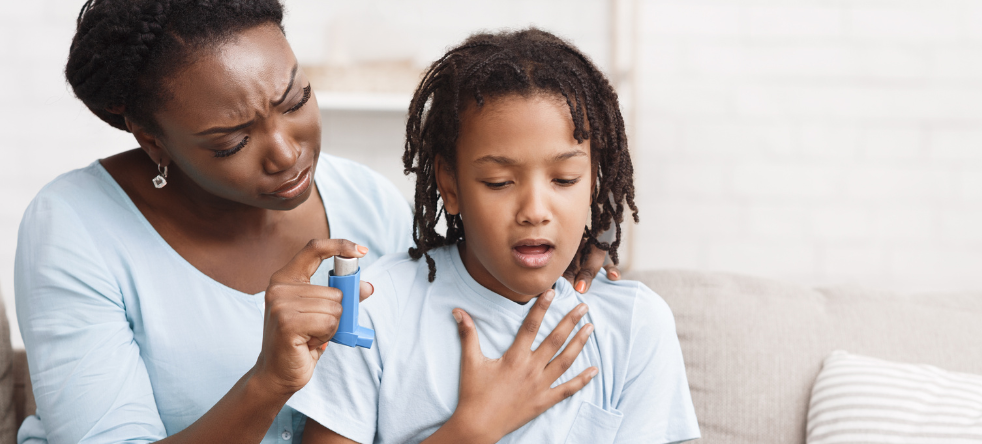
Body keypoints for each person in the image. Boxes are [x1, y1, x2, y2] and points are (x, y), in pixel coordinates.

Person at [14, 1, 617, 443]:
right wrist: (268, 382)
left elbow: (474, 273)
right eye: (230, 141)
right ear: (154, 142)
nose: (285, 152)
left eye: (296, 101)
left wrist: (559, 249)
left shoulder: (365, 204)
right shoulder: (75, 228)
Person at [288, 29, 701, 444]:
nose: (535, 211)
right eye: (499, 182)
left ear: (593, 180)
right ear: (450, 185)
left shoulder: (632, 324)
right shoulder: (374, 310)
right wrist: (470, 431)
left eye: (564, 178)